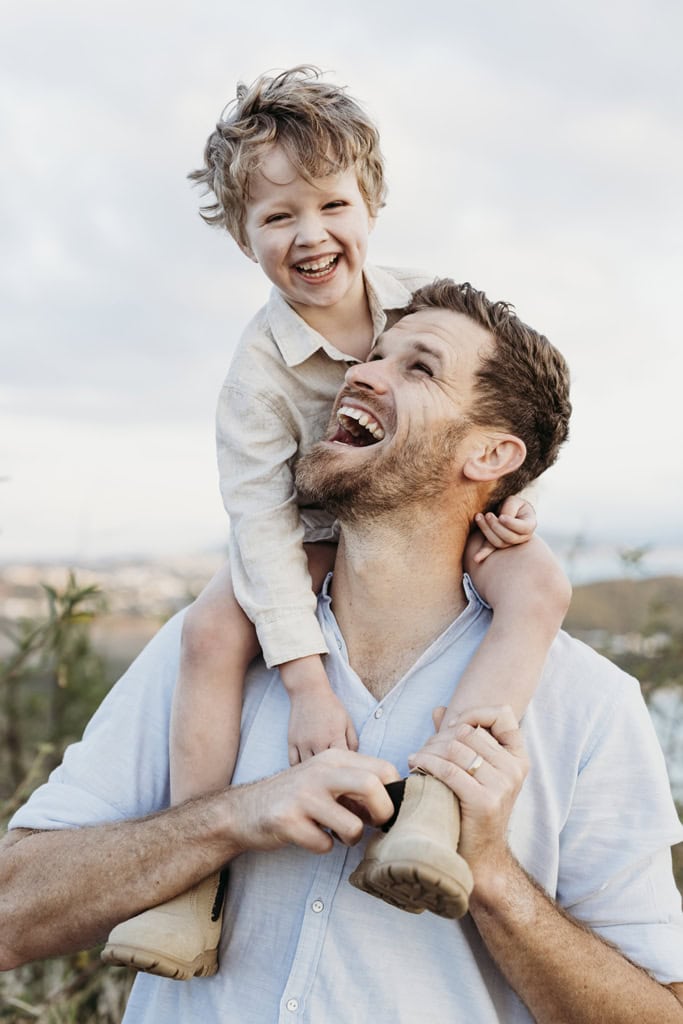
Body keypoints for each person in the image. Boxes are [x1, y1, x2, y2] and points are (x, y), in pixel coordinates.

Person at [2, 280, 682, 1024]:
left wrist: (490, 873)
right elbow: (12, 910)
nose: (361, 373)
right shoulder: (209, 650)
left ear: (491, 453)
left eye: (417, 368)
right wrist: (229, 819)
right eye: (374, 355)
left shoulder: (587, 705)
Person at [95, 66, 569, 977]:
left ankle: (436, 800)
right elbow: (261, 529)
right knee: (205, 633)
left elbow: (496, 416)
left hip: (423, 513)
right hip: (304, 538)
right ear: (243, 238)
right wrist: (306, 683)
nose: (309, 235)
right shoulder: (255, 375)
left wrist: (508, 505)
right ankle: (190, 883)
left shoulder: (427, 301)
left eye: (330, 205)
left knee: (539, 583)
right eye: (276, 218)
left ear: (371, 203)